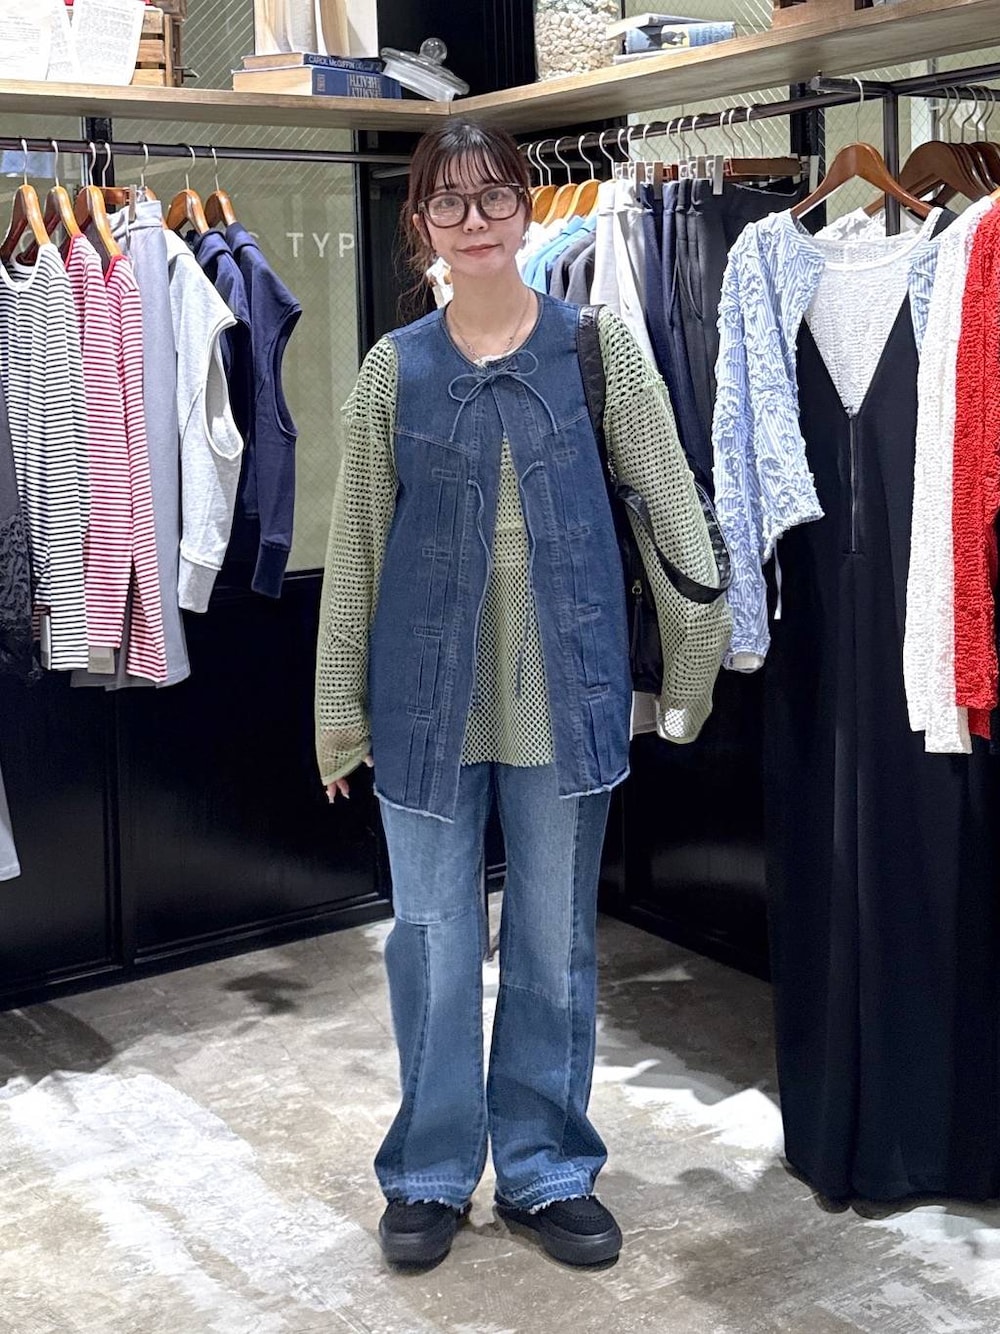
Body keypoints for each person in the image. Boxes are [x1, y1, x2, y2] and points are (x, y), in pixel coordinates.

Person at [315, 118, 730, 1270]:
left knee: (550, 943)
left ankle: (547, 1169)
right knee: (433, 941)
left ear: (526, 205)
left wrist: (693, 663)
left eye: (494, 196)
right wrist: (337, 712)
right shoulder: (392, 369)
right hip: (422, 705)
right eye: (448, 202)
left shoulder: (598, 347)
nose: (476, 221)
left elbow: (672, 508)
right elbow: (353, 550)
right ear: (421, 223)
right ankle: (430, 1170)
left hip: (568, 691)